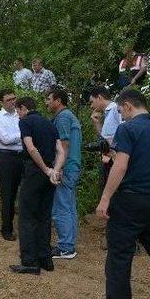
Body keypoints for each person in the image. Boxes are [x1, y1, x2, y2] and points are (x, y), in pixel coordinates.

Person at [85, 89, 150, 299]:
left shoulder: (128, 129)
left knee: (119, 262)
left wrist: (105, 198)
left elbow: (121, 165)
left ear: (128, 106)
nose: (120, 115)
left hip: (128, 201)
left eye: (120, 111)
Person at [9, 97, 65, 275]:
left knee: (27, 216)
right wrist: (54, 170)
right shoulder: (50, 123)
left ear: (23, 108)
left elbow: (31, 148)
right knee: (43, 216)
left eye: (18, 111)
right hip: (49, 173)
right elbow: (61, 150)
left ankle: (30, 262)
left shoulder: (25, 122)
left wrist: (46, 170)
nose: (18, 115)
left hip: (34, 171)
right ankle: (45, 259)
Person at [46, 87, 82, 260]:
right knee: (68, 206)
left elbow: (64, 146)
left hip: (66, 168)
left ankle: (66, 247)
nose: (46, 102)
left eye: (49, 99)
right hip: (71, 167)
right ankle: (69, 244)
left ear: (58, 101)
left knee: (61, 207)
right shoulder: (68, 116)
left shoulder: (63, 117)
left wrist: (57, 169)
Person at [0, 89, 23, 241]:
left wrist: (19, 137)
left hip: (23, 156)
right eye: (9, 99)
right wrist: (23, 134)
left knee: (25, 193)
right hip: (6, 158)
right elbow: (5, 139)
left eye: (14, 98)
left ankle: (25, 228)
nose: (13, 101)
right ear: (1, 103)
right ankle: (7, 229)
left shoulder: (21, 113)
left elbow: (18, 137)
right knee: (8, 195)